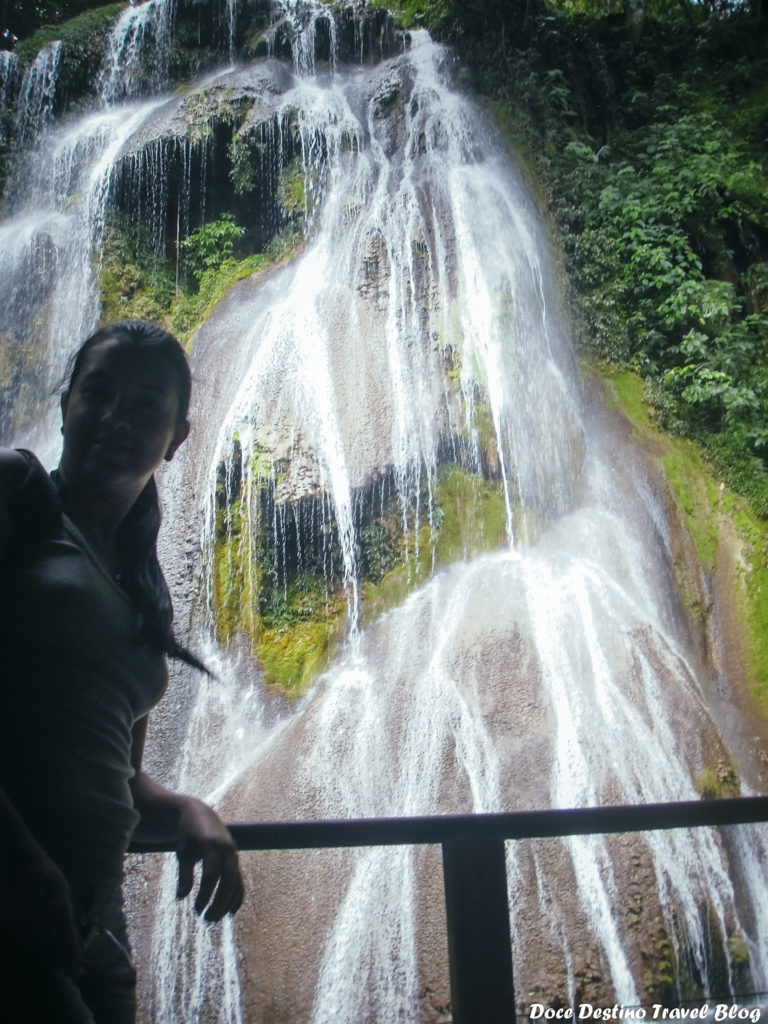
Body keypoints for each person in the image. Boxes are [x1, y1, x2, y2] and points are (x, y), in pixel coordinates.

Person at [0, 320, 244, 1022]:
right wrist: (15, 863)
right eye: (98, 393)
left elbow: (120, 777)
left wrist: (191, 809)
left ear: (178, 437)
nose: (114, 417)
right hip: (14, 911)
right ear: (66, 404)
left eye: (146, 406)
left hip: (97, 934)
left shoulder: (145, 590)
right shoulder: (18, 495)